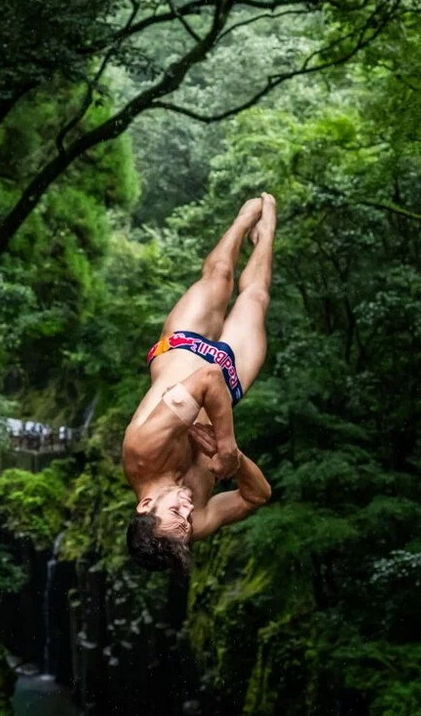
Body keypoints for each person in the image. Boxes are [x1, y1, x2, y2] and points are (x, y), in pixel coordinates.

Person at [122, 193, 276, 574]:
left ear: (146, 505)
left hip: (185, 347)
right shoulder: (191, 526)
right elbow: (258, 496)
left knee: (219, 275)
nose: (189, 508)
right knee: (256, 297)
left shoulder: (143, 451)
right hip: (231, 374)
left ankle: (243, 220)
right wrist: (235, 462)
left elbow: (207, 378)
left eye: (177, 511)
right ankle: (268, 229)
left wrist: (226, 446)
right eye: (187, 521)